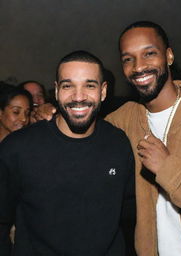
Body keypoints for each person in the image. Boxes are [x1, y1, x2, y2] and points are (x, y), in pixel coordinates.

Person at [32, 21, 181, 255]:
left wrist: (170, 170)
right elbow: (84, 131)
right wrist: (52, 113)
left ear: (169, 56)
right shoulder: (124, 121)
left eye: (149, 53)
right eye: (128, 58)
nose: (138, 67)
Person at [0, 50, 135, 255]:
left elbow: (129, 210)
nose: (78, 97)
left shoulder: (119, 143)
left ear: (103, 91)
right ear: (56, 91)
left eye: (89, 85)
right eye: (68, 85)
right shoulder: (17, 148)